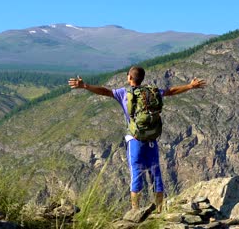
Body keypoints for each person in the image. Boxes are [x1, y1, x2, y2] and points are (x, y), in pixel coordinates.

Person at [68, 66, 206, 212]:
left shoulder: (124, 93)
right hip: (152, 140)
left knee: (136, 173)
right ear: (142, 78)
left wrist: (85, 86)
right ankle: (159, 210)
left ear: (129, 78)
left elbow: (105, 91)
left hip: (135, 140)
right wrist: (190, 86)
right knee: (156, 174)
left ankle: (135, 211)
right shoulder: (152, 92)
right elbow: (171, 91)